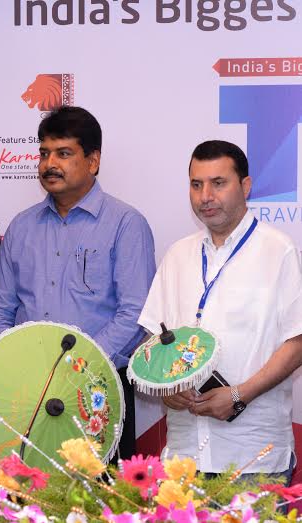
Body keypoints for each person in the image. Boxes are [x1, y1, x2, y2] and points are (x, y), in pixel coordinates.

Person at [0, 106, 156, 458]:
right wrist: (15, 364)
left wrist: (76, 367)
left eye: (63, 153)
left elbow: (135, 314)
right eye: (44, 153)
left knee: (99, 490)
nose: (49, 164)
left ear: (93, 161)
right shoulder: (22, 226)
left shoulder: (125, 224)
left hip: (97, 388)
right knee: (29, 488)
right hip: (27, 392)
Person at [138, 140, 302, 481]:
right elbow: (153, 337)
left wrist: (239, 395)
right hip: (184, 456)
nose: (205, 196)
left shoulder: (278, 250)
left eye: (218, 183)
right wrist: (166, 387)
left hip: (253, 455)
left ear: (245, 186)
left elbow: (297, 341)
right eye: (196, 184)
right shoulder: (177, 255)